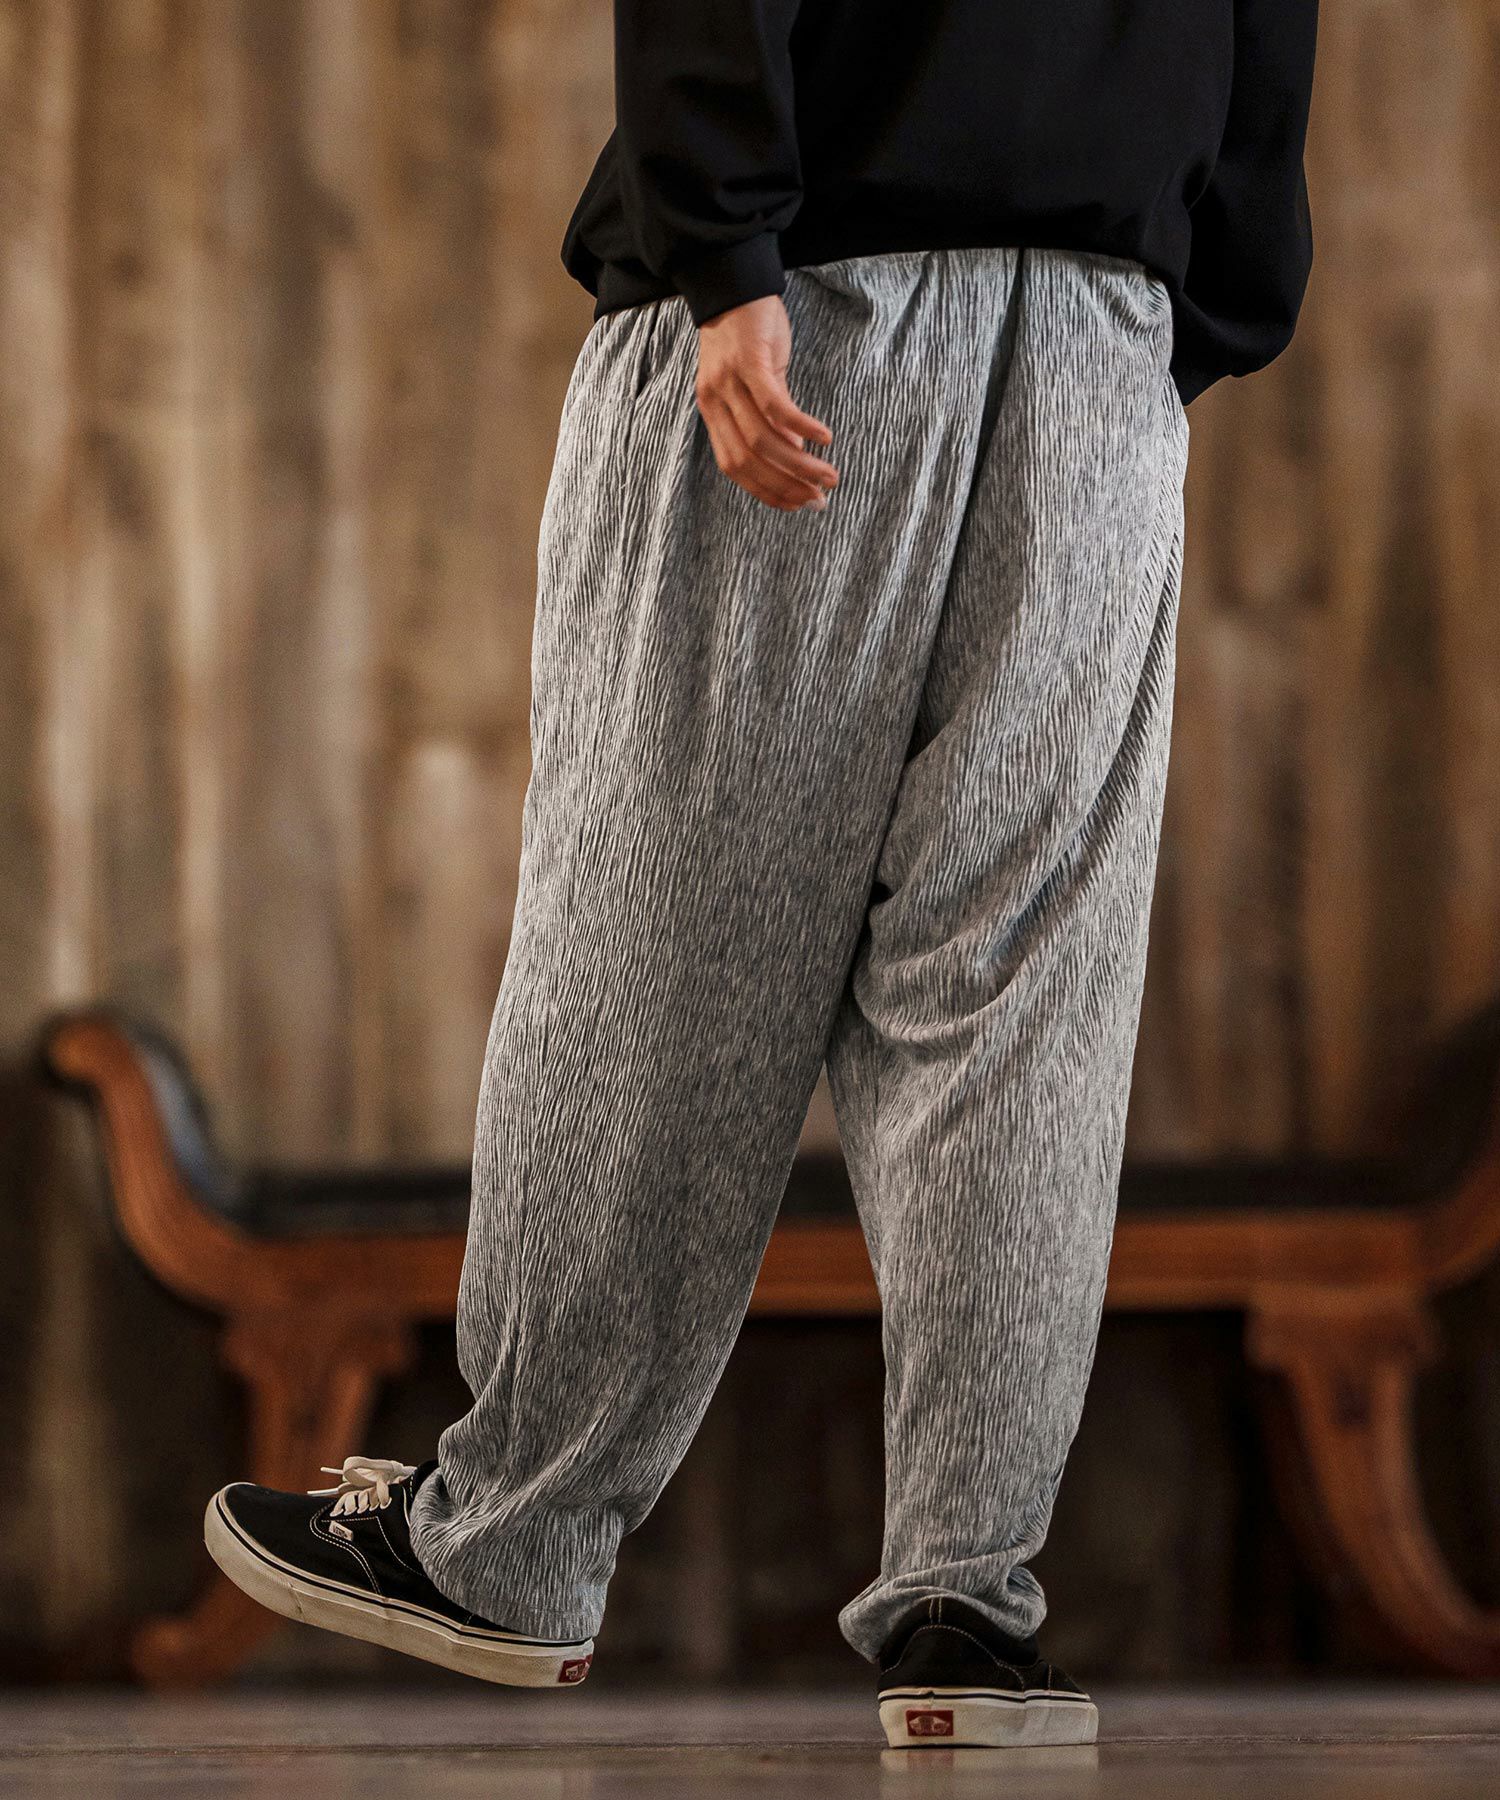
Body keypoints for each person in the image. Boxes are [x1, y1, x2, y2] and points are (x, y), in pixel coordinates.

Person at [204, 0, 1318, 1750]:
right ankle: (968, 1611)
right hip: (1109, 333)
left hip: (811, 293)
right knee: (1015, 993)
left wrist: (726, 256)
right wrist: (1190, 299)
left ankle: (512, 1543)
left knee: (660, 925)